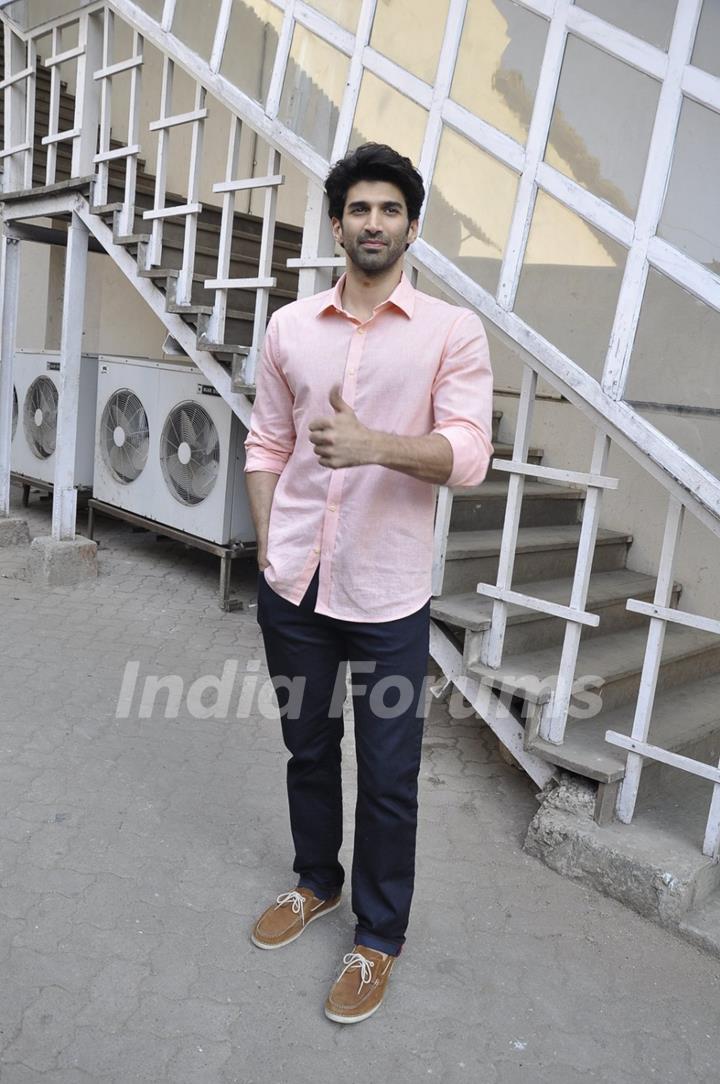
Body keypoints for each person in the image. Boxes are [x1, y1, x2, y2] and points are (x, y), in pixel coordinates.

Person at [243, 142, 493, 1024]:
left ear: (412, 227)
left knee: (388, 776)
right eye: (359, 209)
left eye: (390, 210)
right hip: (297, 588)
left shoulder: (449, 332)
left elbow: (468, 454)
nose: (374, 223)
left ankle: (378, 938)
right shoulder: (289, 328)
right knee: (307, 748)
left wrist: (377, 445)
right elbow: (266, 443)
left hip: (388, 596)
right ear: (338, 223)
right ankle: (316, 881)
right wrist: (273, 547)